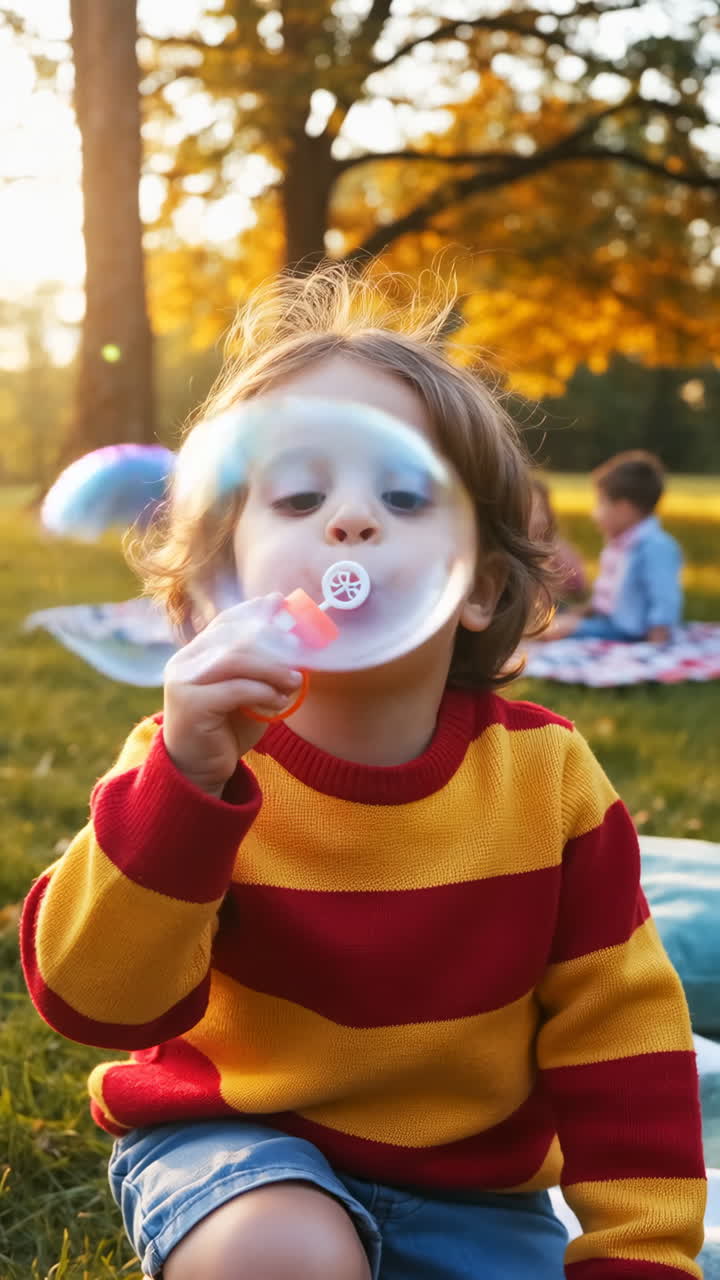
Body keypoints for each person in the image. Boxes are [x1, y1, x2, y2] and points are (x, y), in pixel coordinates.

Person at [20, 267, 705, 1280]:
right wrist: (183, 782)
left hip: (472, 1187)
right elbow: (93, 1001)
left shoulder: (547, 780)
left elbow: (625, 1037)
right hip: (236, 1143)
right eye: (300, 493)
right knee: (287, 1250)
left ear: (476, 585)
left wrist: (638, 1252)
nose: (351, 519)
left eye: (403, 491)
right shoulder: (189, 766)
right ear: (222, 577)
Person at [545, 451, 683, 644]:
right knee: (554, 618)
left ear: (623, 508)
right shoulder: (621, 544)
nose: (594, 514)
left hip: (629, 631)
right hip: (611, 623)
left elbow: (665, 599)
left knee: (556, 628)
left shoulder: (656, 547)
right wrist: (586, 610)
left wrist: (657, 643)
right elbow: (610, 594)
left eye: (601, 503)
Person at [529, 476, 588, 603]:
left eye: (541, 509)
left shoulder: (557, 548)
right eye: (534, 510)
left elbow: (579, 584)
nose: (540, 518)